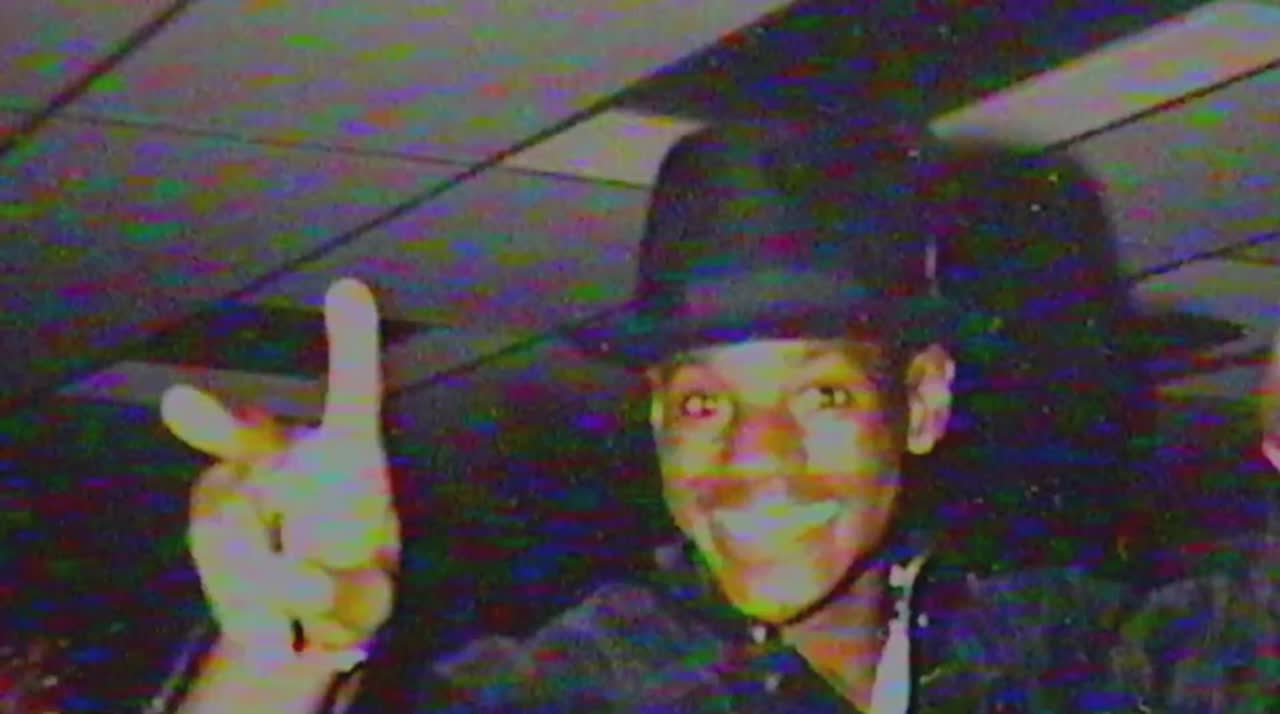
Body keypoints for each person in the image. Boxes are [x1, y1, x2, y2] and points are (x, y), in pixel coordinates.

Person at [144, 120, 1275, 713]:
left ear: (922, 403)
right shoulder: (583, 687)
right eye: (701, 402)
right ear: (655, 423)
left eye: (821, 393)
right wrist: (278, 663)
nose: (752, 457)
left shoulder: (1049, 652)